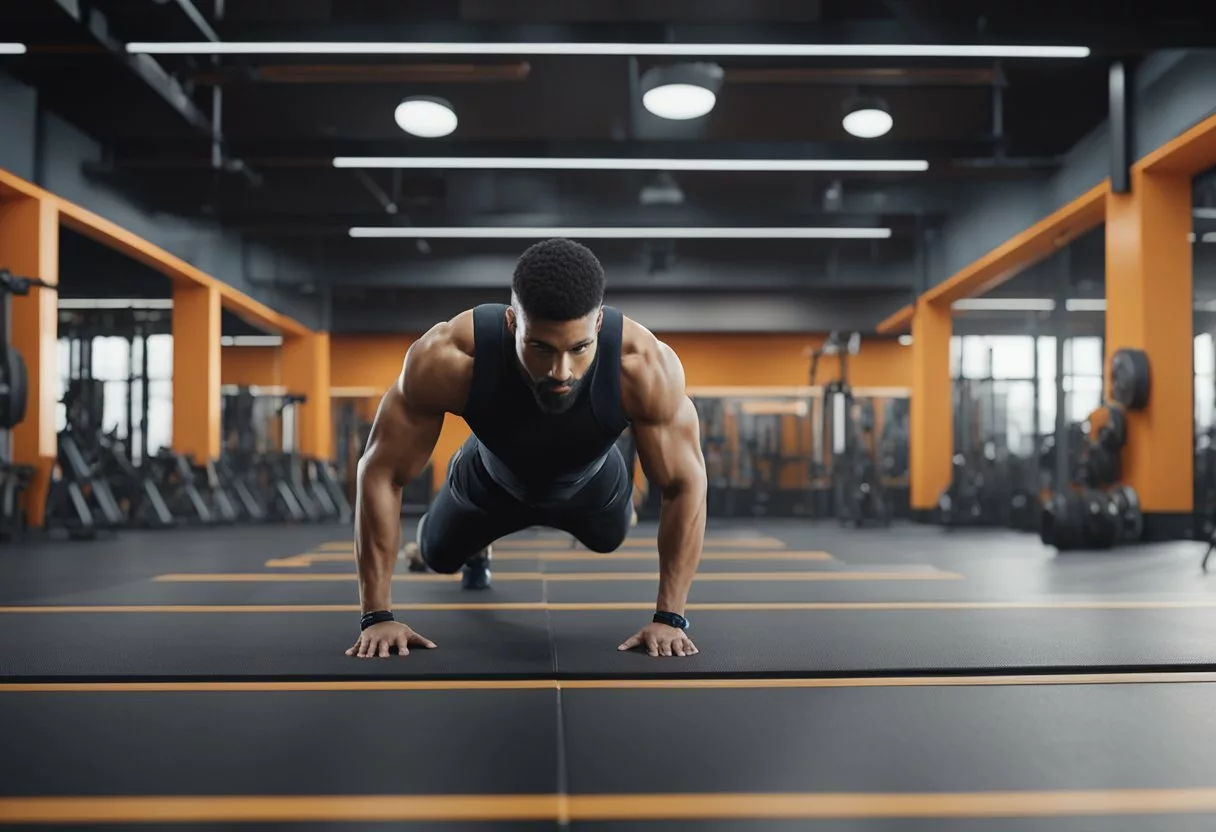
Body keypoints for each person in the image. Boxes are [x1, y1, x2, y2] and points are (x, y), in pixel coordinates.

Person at [347, 238, 707, 660]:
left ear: (597, 327)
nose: (561, 371)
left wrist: (670, 619)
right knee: (437, 554)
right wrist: (377, 616)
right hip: (486, 480)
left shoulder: (643, 366)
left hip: (592, 486)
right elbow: (380, 471)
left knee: (611, 536)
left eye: (578, 349)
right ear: (512, 322)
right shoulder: (451, 356)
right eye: (541, 348)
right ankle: (471, 549)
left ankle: (621, 504)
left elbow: (685, 485)